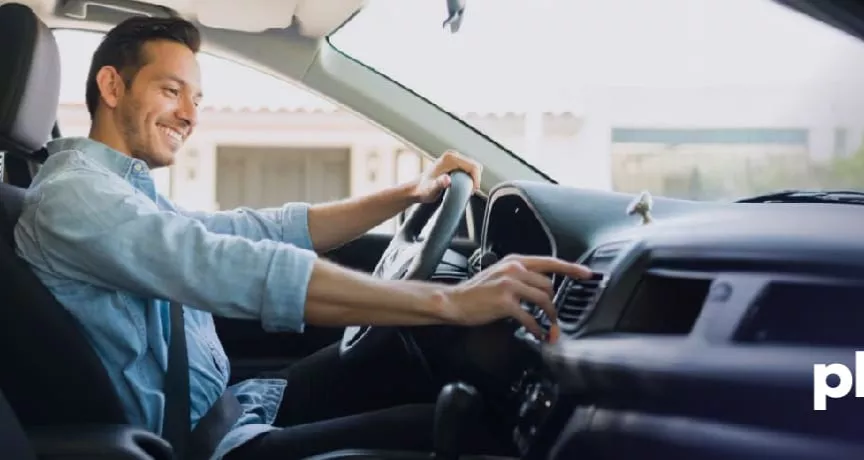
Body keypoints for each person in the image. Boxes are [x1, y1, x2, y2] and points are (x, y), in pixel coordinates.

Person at [13, 15, 590, 460]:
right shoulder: (76, 198)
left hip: (231, 407)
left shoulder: (120, 192)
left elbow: (255, 230)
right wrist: (449, 301)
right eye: (171, 90)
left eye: (197, 99)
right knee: (459, 432)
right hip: (203, 445)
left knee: (395, 362)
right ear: (112, 86)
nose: (190, 115)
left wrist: (406, 194)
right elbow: (226, 264)